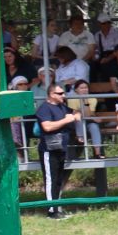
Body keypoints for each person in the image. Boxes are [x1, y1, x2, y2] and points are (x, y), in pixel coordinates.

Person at [34, 82, 81, 219]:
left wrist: (76, 115)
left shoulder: (62, 107)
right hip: (49, 150)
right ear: (51, 94)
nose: (63, 95)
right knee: (51, 180)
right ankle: (51, 211)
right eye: (60, 93)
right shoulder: (44, 109)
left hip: (61, 148)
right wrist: (66, 120)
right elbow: (47, 127)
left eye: (63, 93)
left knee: (59, 180)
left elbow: (74, 112)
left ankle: (57, 207)